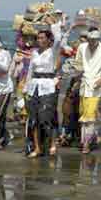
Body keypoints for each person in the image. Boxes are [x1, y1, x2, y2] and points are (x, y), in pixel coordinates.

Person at [74, 29, 101, 154]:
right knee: (83, 114)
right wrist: (76, 80)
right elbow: (78, 65)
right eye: (90, 40)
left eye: (94, 40)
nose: (91, 43)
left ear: (98, 40)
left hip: (96, 86)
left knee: (89, 117)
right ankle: (90, 138)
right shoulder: (82, 47)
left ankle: (86, 144)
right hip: (84, 85)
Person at [24, 29, 60, 157]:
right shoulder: (34, 53)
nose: (39, 40)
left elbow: (58, 38)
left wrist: (54, 24)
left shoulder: (53, 51)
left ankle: (52, 143)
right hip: (34, 85)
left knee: (45, 117)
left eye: (42, 38)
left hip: (48, 86)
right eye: (38, 38)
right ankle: (37, 147)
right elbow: (30, 71)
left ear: (49, 40)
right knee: (33, 118)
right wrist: (25, 88)